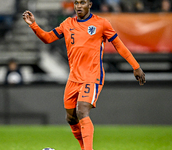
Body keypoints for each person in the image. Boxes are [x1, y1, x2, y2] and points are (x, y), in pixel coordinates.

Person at [23, 0, 146, 149]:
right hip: (73, 78)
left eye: (82, 2)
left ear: (90, 4)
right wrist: (33, 25)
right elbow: (48, 38)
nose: (78, 6)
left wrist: (135, 66)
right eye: (76, 3)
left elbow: (118, 45)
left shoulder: (102, 23)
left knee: (82, 110)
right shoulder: (67, 23)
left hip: (92, 76)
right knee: (71, 118)